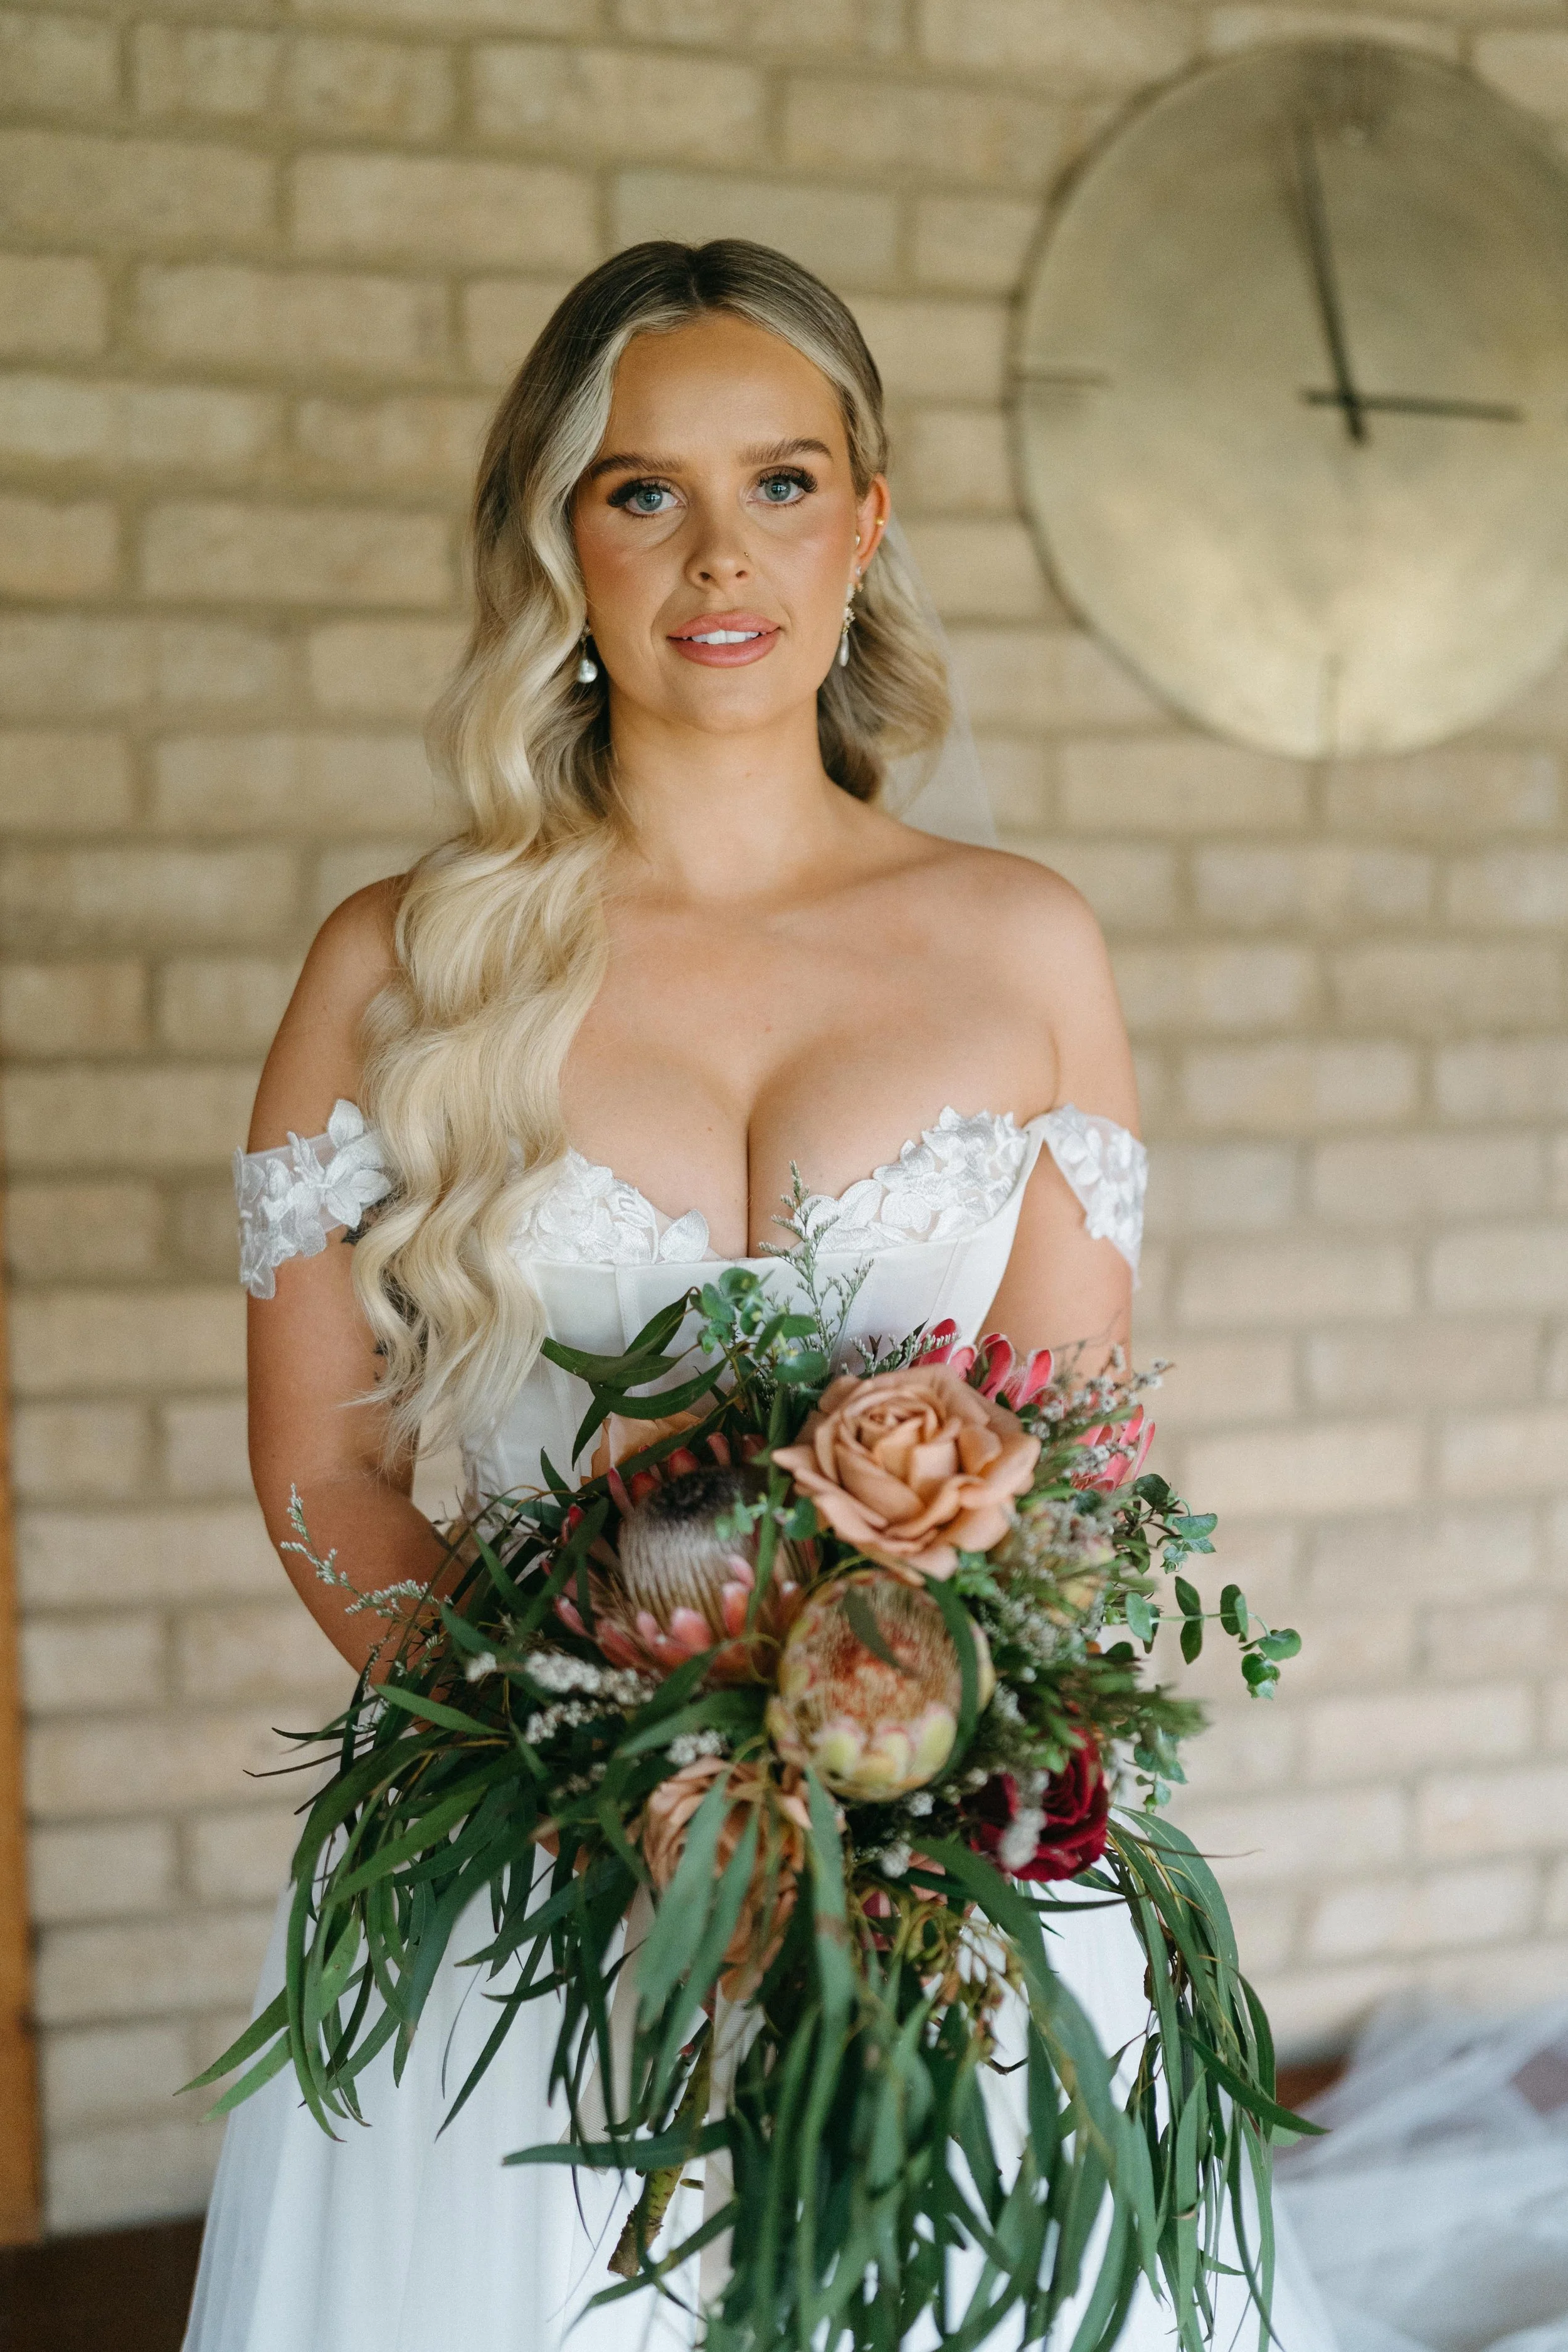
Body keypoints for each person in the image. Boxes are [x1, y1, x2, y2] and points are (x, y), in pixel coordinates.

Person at [186, 240, 1332, 2351]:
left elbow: (1076, 1457)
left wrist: (899, 1797)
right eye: (641, 491)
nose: (722, 555)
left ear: (867, 521)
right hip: (530, 1863)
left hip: (948, 1848)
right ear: (557, 538)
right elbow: (318, 1458)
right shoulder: (395, 966)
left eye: (782, 483)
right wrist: (586, 1776)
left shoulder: (1021, 944)